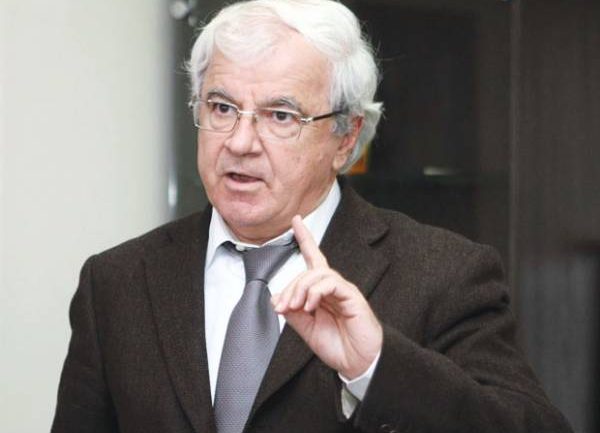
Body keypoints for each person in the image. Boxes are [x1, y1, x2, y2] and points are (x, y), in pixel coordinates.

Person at [52, 1, 573, 432]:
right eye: (222, 107)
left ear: (345, 138)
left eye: (281, 115)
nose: (240, 142)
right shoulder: (116, 282)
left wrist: (375, 367)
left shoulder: (444, 274)